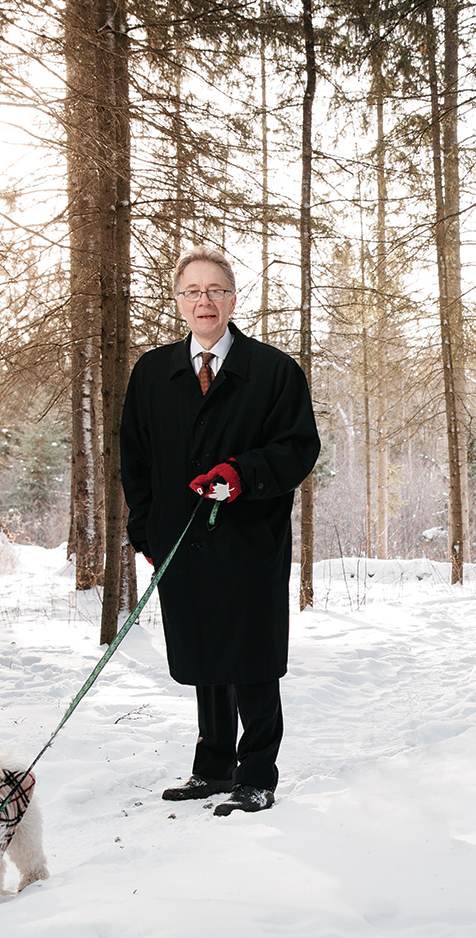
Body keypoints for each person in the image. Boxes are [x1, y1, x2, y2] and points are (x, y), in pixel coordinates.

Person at [120, 246, 320, 815]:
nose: (204, 301)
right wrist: (147, 534)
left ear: (233, 299)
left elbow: (297, 447)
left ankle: (256, 774)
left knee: (252, 659)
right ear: (178, 302)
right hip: (181, 543)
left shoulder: (274, 371)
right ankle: (211, 768)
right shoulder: (153, 374)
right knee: (206, 655)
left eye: (216, 291)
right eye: (193, 292)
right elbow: (134, 460)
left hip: (250, 543)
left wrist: (242, 475)